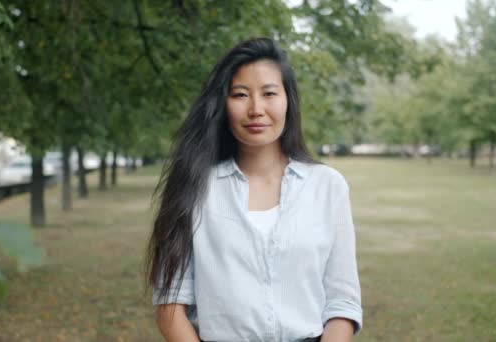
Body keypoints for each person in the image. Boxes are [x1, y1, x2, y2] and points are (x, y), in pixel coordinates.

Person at [145, 37, 362, 342]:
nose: (256, 109)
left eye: (270, 93)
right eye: (240, 94)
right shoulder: (195, 187)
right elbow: (169, 308)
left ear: (288, 100)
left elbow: (343, 302)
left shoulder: (327, 186)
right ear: (223, 103)